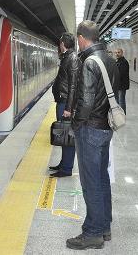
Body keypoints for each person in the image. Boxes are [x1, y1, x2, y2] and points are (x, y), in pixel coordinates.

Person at [63, 20, 119, 250]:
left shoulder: (88, 62)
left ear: (81, 37)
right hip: (105, 127)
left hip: (90, 129)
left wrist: (75, 125)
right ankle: (104, 226)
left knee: (91, 182)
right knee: (102, 178)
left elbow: (85, 102)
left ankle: (93, 233)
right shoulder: (110, 60)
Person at [50, 33, 78, 177]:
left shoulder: (72, 58)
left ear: (63, 43)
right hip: (62, 101)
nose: (59, 45)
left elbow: (73, 85)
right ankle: (63, 163)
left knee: (67, 135)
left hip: (65, 104)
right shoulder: (68, 56)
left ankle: (66, 168)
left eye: (60, 43)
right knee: (63, 134)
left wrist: (68, 108)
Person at [114, 48, 129, 113]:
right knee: (117, 100)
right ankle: (119, 114)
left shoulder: (124, 62)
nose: (117, 54)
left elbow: (121, 74)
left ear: (122, 53)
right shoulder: (117, 61)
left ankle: (123, 114)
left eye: (118, 52)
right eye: (116, 52)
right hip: (118, 85)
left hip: (122, 85)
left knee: (121, 100)